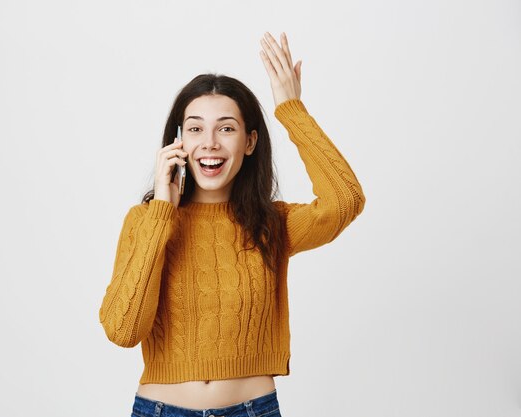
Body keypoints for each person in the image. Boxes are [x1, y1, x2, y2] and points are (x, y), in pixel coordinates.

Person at [99, 32, 366, 417]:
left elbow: (346, 200)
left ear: (250, 141)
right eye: (195, 129)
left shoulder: (273, 223)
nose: (209, 142)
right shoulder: (146, 221)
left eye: (226, 128)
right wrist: (162, 212)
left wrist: (291, 109)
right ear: (177, 142)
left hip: (252, 410)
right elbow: (123, 331)